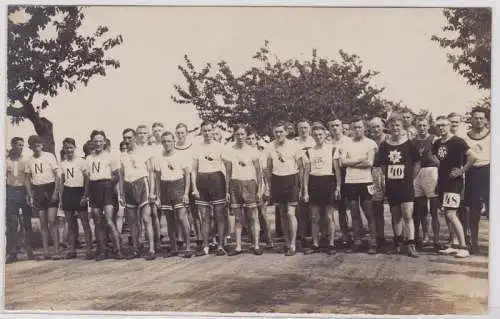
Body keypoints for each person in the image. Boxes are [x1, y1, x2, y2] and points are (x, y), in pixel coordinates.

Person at [433, 116, 476, 258]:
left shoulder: (458, 141)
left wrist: (461, 170)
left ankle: (464, 247)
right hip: (442, 181)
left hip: (454, 182)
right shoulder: (438, 142)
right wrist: (439, 166)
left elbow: (472, 157)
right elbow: (433, 155)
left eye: (444, 125)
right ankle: (453, 244)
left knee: (451, 214)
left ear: (449, 126)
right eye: (439, 126)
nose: (441, 128)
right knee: (447, 213)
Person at [378, 115, 420, 257]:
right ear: (388, 128)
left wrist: (410, 178)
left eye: (398, 125)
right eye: (392, 126)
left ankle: (411, 244)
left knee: (407, 214)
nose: (395, 128)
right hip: (392, 185)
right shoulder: (384, 145)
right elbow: (383, 165)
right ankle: (398, 243)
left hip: (406, 185)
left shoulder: (410, 144)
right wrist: (389, 178)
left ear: (402, 127)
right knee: (395, 215)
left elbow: (417, 163)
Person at [338, 117, 378, 254]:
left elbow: (369, 163)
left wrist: (351, 162)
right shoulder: (346, 144)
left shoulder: (370, 143)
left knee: (369, 212)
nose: (357, 130)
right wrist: (360, 159)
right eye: (355, 127)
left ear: (364, 128)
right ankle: (357, 241)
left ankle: (373, 241)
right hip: (350, 182)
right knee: (354, 213)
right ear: (351, 129)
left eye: (360, 127)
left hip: (366, 181)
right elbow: (342, 162)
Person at [83, 130, 123, 260]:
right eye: (96, 141)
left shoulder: (110, 156)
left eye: (101, 141)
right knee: (97, 220)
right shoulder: (89, 158)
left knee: (109, 221)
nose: (98, 143)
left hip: (106, 188)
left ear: (105, 142)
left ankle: (118, 250)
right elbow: (88, 179)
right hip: (94, 189)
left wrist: (108, 186)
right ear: (92, 142)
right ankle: (103, 250)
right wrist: (86, 195)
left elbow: (117, 175)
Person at [152, 131, 193, 258]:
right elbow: (158, 178)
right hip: (165, 187)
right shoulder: (158, 157)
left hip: (178, 185)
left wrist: (186, 193)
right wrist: (158, 195)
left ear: (174, 141)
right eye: (164, 141)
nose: (166, 143)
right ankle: (173, 247)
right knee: (169, 220)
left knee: (181, 217)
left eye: (169, 141)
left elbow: (187, 175)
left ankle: (187, 247)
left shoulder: (181, 155)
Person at [303, 123, 342, 255]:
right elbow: (306, 173)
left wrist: (338, 187)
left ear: (325, 134)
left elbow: (337, 170)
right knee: (314, 217)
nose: (318, 137)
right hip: (314, 183)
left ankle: (331, 244)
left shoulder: (332, 149)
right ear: (312, 136)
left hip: (328, 182)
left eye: (320, 134)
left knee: (329, 216)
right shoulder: (309, 151)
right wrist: (305, 191)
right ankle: (315, 244)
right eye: (315, 135)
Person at [224, 125, 263, 256]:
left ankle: (256, 245)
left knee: (253, 216)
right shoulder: (230, 151)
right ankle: (238, 246)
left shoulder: (253, 151)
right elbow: (228, 172)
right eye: (237, 134)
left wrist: (260, 189)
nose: (240, 137)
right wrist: (227, 191)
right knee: (238, 218)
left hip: (250, 184)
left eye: (242, 134)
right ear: (234, 135)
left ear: (246, 135)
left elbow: (259, 172)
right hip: (235, 184)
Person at [191, 121, 228, 256]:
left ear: (213, 131)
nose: (207, 133)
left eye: (209, 130)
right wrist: (194, 187)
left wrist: (228, 188)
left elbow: (228, 168)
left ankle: (220, 245)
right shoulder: (197, 147)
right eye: (204, 131)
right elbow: (194, 169)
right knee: (204, 217)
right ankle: (205, 246)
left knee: (219, 215)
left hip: (217, 181)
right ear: (201, 132)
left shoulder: (220, 147)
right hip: (202, 181)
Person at [267, 122, 304, 256]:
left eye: (281, 132)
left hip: (291, 179)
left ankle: (293, 244)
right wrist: (269, 185)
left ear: (286, 132)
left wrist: (301, 186)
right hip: (278, 180)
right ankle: (287, 243)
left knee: (290, 213)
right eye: (276, 132)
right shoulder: (270, 147)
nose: (278, 134)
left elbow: (301, 167)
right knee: (282, 214)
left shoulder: (294, 146)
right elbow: (269, 168)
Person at [24, 135, 62, 260]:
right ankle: (46, 251)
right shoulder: (29, 161)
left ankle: (56, 250)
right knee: (43, 223)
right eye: (33, 145)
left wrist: (56, 192)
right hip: (38, 191)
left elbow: (57, 176)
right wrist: (30, 195)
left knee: (52, 221)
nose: (36, 147)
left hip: (50, 188)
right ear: (30, 147)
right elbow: (27, 180)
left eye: (38, 144)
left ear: (42, 145)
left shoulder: (49, 156)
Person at [120, 128, 156, 260]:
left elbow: (151, 172)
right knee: (132, 221)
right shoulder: (123, 155)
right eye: (125, 138)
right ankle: (135, 248)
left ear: (135, 138)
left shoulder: (144, 152)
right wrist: (122, 193)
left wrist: (152, 191)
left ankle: (151, 248)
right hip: (128, 186)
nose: (127, 140)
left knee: (146, 218)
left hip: (142, 184)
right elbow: (122, 175)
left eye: (129, 138)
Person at [60, 138, 93, 260]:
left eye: (70, 147)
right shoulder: (63, 163)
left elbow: (87, 180)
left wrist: (85, 195)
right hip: (68, 192)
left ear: (74, 148)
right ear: (63, 149)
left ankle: (89, 249)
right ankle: (72, 249)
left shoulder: (81, 162)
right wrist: (61, 198)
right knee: (71, 223)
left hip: (79, 192)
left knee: (85, 222)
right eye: (66, 148)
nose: (68, 150)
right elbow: (62, 181)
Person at [463, 107, 490, 254]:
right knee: (474, 210)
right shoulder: (465, 136)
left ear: (486, 120)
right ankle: (474, 242)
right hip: (473, 172)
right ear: (471, 119)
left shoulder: (493, 134)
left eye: (481, 118)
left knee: (492, 209)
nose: (478, 120)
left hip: (490, 172)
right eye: (476, 118)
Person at [412, 116, 441, 251]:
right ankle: (425, 236)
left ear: (428, 125)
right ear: (416, 126)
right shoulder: (413, 141)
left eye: (424, 125)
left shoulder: (434, 139)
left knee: (434, 208)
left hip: (431, 171)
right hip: (418, 173)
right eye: (419, 125)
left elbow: (440, 158)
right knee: (421, 208)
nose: (422, 128)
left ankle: (436, 238)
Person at [6, 137, 36, 263]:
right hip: (11, 191)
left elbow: (29, 179)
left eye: (22, 145)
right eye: (18, 145)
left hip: (24, 192)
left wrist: (30, 195)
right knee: (12, 223)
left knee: (27, 222)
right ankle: (12, 252)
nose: (20, 147)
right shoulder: (6, 161)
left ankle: (30, 250)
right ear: (12, 145)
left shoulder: (26, 161)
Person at [247, 131, 274, 249]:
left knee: (262, 214)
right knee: (249, 216)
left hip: (260, 186)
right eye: (248, 139)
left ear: (256, 140)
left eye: (252, 138)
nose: (250, 141)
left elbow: (265, 173)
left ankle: (269, 240)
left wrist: (267, 188)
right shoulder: (243, 152)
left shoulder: (260, 153)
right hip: (247, 187)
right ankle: (253, 241)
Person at [327, 118, 351, 248]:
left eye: (337, 125)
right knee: (336, 207)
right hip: (332, 176)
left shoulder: (349, 141)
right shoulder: (328, 143)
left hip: (349, 174)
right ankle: (339, 236)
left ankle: (351, 234)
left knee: (352, 207)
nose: (335, 128)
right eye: (332, 126)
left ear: (342, 127)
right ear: (329, 128)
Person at [369, 117, 389, 250]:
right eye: (373, 127)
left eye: (378, 126)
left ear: (383, 126)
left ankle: (401, 239)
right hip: (374, 173)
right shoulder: (369, 141)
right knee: (376, 207)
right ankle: (379, 238)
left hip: (390, 173)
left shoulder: (390, 138)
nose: (376, 129)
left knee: (396, 208)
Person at [294, 120, 315, 247]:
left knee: (315, 207)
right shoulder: (294, 143)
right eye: (301, 128)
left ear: (309, 129)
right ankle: (303, 235)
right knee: (301, 207)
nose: (303, 130)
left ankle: (317, 234)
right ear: (298, 129)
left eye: (305, 127)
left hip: (315, 175)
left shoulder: (315, 141)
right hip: (299, 175)